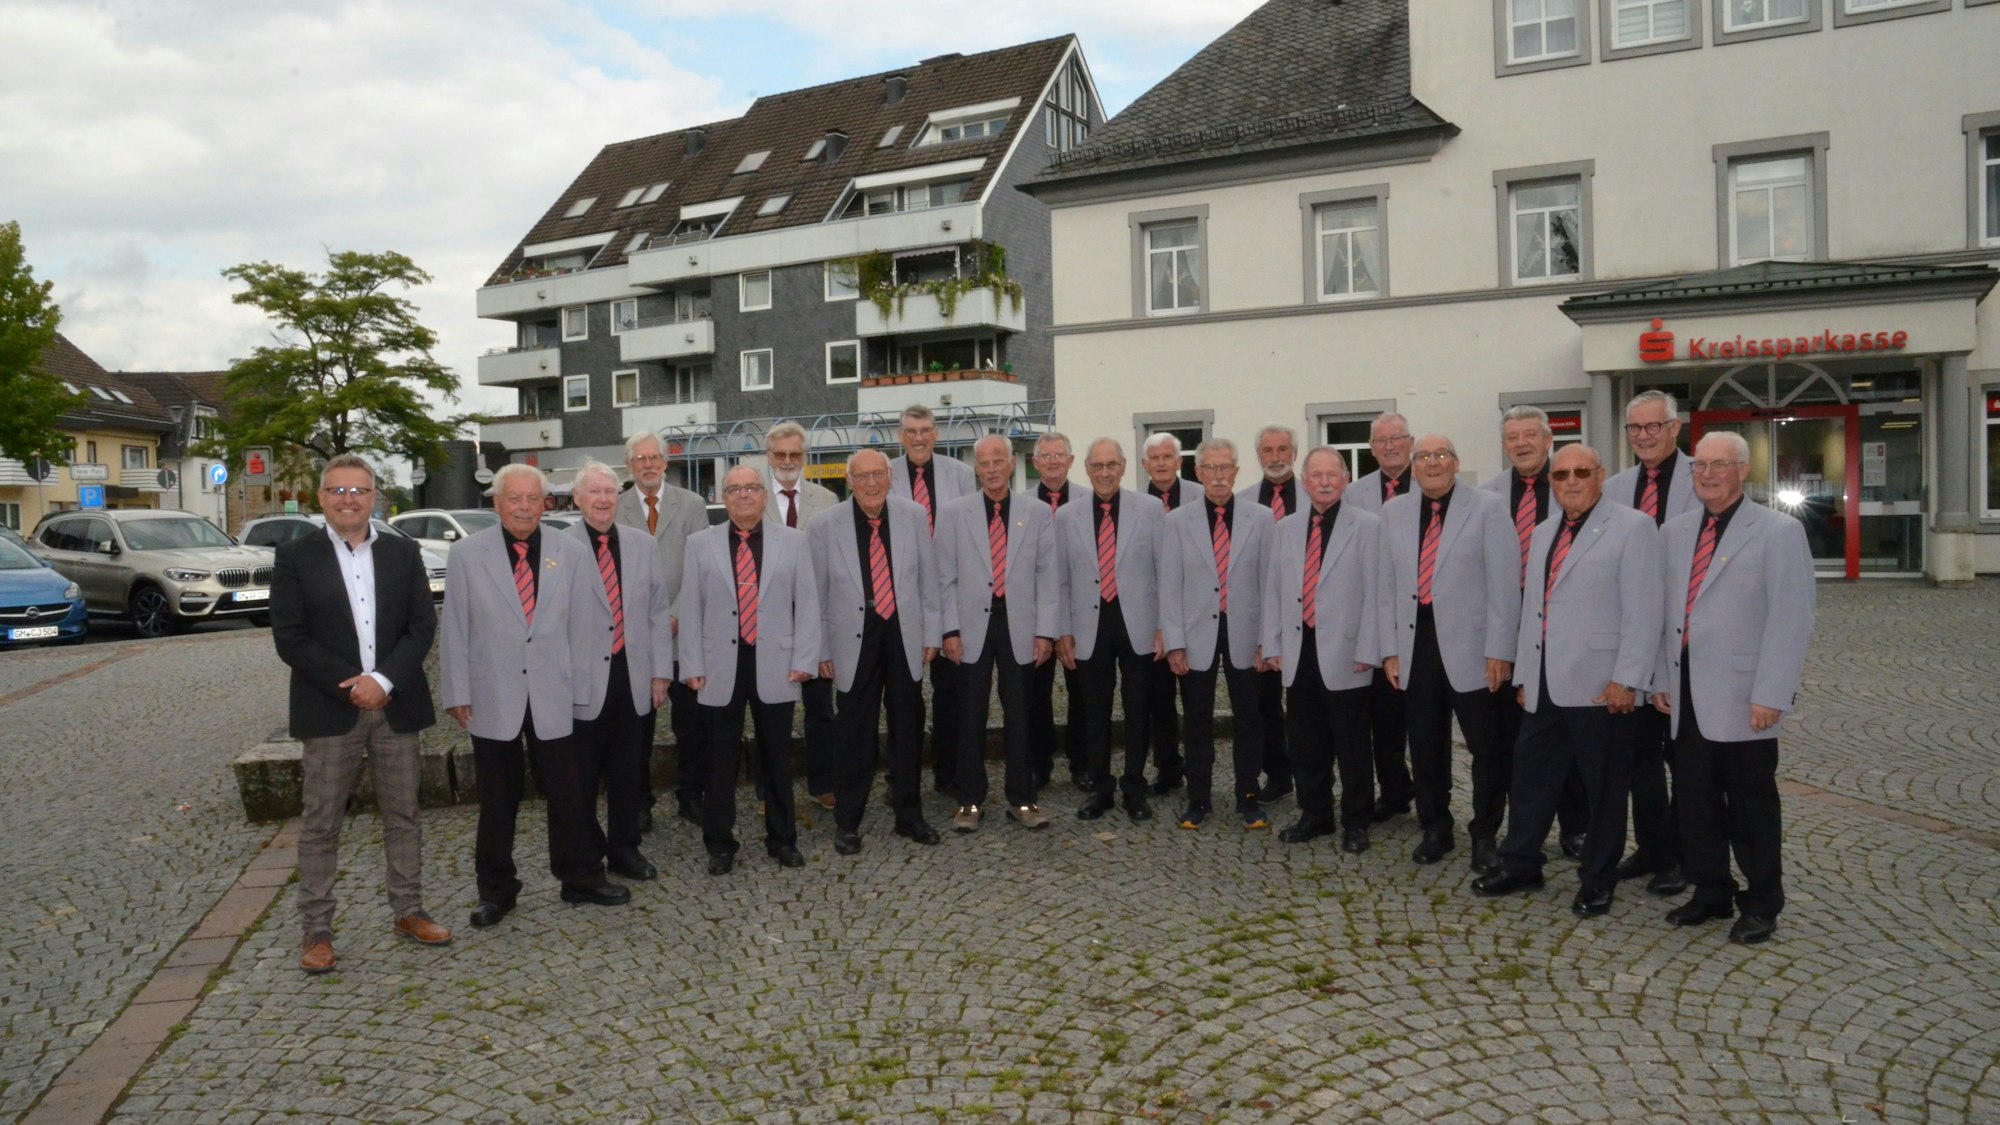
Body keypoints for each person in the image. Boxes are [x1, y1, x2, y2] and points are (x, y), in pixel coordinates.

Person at [273, 453, 449, 974]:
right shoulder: (294, 557)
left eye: (359, 490)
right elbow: (290, 636)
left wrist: (383, 680)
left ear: (375, 497)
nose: (348, 499)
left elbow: (422, 626)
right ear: (320, 498)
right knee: (321, 823)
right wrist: (351, 685)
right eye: (337, 491)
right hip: (331, 709)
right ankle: (317, 930)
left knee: (404, 816)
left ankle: (408, 911)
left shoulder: (403, 552)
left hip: (395, 706)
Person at [1473, 445, 1664, 918]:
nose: (1571, 482)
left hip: (1601, 686)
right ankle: (1521, 863)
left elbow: (1644, 611)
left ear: (1600, 475)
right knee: (1531, 778)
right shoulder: (1542, 533)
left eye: (1581, 472)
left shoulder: (1633, 527)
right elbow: (1534, 610)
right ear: (1551, 483)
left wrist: (1628, 678)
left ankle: (1598, 878)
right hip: (1543, 684)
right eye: (1561, 475)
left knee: (1603, 790)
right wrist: (1523, 672)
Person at [442, 463, 627, 928]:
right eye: (514, 499)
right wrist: (456, 691)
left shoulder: (570, 552)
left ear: (546, 503)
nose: (524, 507)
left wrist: (584, 689)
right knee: (497, 799)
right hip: (492, 694)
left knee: (570, 793)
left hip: (556, 693)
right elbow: (456, 629)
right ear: (497, 502)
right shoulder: (467, 554)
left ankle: (581, 877)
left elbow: (585, 627)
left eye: (532, 499)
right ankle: (497, 891)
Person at [1653, 432, 1814, 945]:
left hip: (1746, 697)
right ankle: (1711, 890)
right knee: (1695, 802)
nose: (1708, 474)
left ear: (1743, 470)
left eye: (1720, 465)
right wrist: (1660, 677)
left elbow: (1792, 620)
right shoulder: (1675, 533)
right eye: (1700, 465)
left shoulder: (1778, 532)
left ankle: (1763, 901)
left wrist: (1772, 693)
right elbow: (1665, 617)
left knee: (1750, 807)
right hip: (1686, 694)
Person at [1381, 435, 1520, 870]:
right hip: (1416, 643)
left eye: (1441, 455)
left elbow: (1504, 584)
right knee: (1425, 743)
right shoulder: (1394, 512)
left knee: (1487, 746)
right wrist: (1390, 650)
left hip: (1476, 649)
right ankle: (1435, 828)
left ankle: (1485, 833)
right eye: (1424, 457)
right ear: (1413, 465)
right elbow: (1386, 588)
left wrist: (1500, 650)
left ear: (1456, 463)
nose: (1432, 463)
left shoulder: (1487, 508)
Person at [679, 465, 821, 875]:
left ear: (763, 496)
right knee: (718, 760)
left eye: (751, 488)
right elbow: (691, 608)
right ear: (724, 497)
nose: (743, 495)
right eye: (734, 489)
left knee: (777, 757)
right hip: (718, 664)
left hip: (775, 661)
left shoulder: (793, 542)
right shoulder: (699, 543)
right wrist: (691, 663)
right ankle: (720, 843)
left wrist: (804, 660)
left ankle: (783, 839)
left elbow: (807, 603)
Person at [814, 448, 944, 854]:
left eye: (878, 475)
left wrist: (932, 634)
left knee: (907, 728)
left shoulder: (913, 516)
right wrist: (820, 648)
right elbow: (815, 594)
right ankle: (848, 821)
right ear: (849, 481)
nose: (871, 483)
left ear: (890, 477)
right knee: (854, 732)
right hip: (853, 636)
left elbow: (928, 580)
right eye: (862, 476)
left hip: (904, 632)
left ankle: (909, 815)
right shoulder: (824, 525)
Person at [1261, 447, 1385, 854]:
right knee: (1306, 742)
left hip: (1349, 653)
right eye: (1317, 475)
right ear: (1304, 480)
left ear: (1346, 479)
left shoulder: (1368, 527)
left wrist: (1370, 648)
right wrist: (1273, 643)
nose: (1325, 482)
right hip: (1300, 651)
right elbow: (1275, 591)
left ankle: (1356, 821)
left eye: (1333, 474)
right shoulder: (1286, 529)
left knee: (1351, 744)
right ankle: (1315, 813)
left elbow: (1376, 593)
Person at [1481, 405, 1588, 862]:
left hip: (1565, 633)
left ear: (1549, 440)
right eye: (1512, 437)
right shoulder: (1485, 498)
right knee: (1510, 740)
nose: (1521, 444)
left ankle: (1575, 827)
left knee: (1569, 735)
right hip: (1507, 631)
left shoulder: (1572, 489)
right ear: (1503, 445)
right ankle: (1516, 833)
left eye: (1530, 435)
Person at [937, 435, 1060, 831]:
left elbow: (1048, 576)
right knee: (969, 713)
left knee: (1021, 713)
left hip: (1019, 623)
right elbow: (945, 578)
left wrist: (1046, 632)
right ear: (977, 468)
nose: (991, 469)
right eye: (984, 463)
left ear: (1011, 465)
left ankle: (1022, 797)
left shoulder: (1037, 513)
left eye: (998, 461)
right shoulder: (954, 514)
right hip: (971, 626)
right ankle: (969, 799)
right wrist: (949, 630)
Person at [1604, 390, 1698, 897]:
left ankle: (1685, 854)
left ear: (1674, 428)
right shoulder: (1616, 487)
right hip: (1632, 638)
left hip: (1688, 638)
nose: (1643, 436)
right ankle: (1653, 846)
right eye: (1634, 428)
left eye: (1652, 427)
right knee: (1638, 758)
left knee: (1684, 758)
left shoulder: (1702, 477)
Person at [567, 461, 674, 883]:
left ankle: (626, 850)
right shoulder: (559, 547)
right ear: (577, 498)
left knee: (630, 771)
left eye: (610, 492)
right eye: (593, 491)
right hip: (583, 681)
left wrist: (660, 672)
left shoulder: (642, 545)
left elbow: (657, 610)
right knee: (582, 776)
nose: (602, 499)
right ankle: (587, 855)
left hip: (633, 674)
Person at [1159, 438, 1270, 830]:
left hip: (1246, 632)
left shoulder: (1261, 518)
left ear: (1237, 473)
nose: (1218, 476)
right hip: (1195, 635)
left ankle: (1249, 795)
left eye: (1225, 468)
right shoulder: (1176, 521)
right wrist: (1173, 641)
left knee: (1249, 719)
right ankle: (1199, 798)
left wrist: (1266, 640)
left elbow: (1268, 583)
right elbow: (1169, 586)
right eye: (1210, 468)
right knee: (1197, 720)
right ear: (1198, 473)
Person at [1057, 438, 1165, 822]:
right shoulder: (1067, 516)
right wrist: (1063, 632)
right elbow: (1062, 580)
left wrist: (1163, 627)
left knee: (1138, 708)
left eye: (1112, 465)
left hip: (1137, 621)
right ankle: (1100, 786)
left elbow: (1163, 572)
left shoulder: (1150, 509)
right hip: (1090, 624)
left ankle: (1134, 785)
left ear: (1123, 467)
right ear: (1086, 469)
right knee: (1094, 710)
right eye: (1097, 466)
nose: (1104, 473)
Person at [616, 431, 709, 828]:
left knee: (692, 727)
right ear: (630, 467)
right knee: (636, 729)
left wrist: (674, 614)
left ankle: (691, 796)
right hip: (635, 639)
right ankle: (638, 803)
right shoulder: (614, 508)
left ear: (666, 462)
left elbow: (701, 568)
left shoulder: (692, 505)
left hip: (683, 635)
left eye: (654, 457)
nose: (648, 465)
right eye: (640, 459)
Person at [887, 405, 976, 800]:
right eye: (911, 431)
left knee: (951, 692)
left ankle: (949, 773)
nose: (918, 438)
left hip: (950, 593)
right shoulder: (884, 475)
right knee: (902, 696)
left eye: (925, 430)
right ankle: (899, 779)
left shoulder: (959, 473)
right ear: (900, 435)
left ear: (936, 434)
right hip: (901, 597)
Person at [763, 421, 840, 809]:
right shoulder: (753, 499)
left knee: (821, 711)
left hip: (814, 622)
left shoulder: (826, 500)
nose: (788, 461)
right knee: (769, 713)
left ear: (805, 457)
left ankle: (824, 784)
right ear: (769, 457)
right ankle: (769, 790)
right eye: (781, 455)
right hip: (768, 624)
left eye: (795, 454)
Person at [1345, 411, 1416, 827]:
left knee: (1423, 717)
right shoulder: (1354, 494)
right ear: (1371, 449)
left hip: (1419, 614)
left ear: (1410, 441)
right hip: (1371, 615)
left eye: (1397, 439)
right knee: (1381, 715)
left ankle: (1429, 794)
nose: (1390, 447)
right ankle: (1393, 790)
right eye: (1381, 441)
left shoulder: (1430, 483)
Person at [1237, 423, 1300, 807]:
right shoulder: (1243, 502)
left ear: (1294, 452)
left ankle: (1315, 775)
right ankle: (1278, 773)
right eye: (1267, 451)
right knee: (1265, 704)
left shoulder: (1317, 494)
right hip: (1260, 617)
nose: (1275, 457)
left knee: (1310, 705)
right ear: (1258, 456)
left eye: (1282, 449)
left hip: (1307, 613)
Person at [1141, 432, 1200, 798]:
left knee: (1196, 701)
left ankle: (1199, 771)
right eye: (1154, 458)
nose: (1161, 464)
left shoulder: (1199, 497)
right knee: (1158, 700)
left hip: (1193, 616)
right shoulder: (1133, 504)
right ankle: (1168, 768)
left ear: (1180, 462)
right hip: (1149, 620)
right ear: (1145, 464)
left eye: (1168, 457)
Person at [1027, 432, 1085, 791]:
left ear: (1070, 460)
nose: (1052, 461)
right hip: (1034, 616)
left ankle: (1083, 763)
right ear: (1034, 463)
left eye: (1058, 455)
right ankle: (1038, 762)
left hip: (1081, 616)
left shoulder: (1089, 501)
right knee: (1035, 694)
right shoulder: (1020, 506)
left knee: (1083, 695)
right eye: (1045, 456)